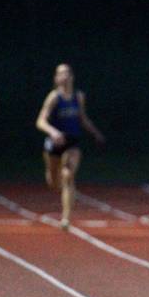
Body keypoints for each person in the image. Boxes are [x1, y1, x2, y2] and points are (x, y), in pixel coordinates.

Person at [36, 64, 105, 230]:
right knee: (54, 183)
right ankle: (54, 177)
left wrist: (95, 133)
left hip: (72, 142)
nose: (64, 76)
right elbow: (40, 121)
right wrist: (53, 132)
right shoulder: (53, 97)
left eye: (67, 73)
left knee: (68, 175)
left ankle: (65, 218)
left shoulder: (78, 96)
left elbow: (82, 118)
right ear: (56, 78)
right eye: (60, 73)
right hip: (55, 143)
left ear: (72, 77)